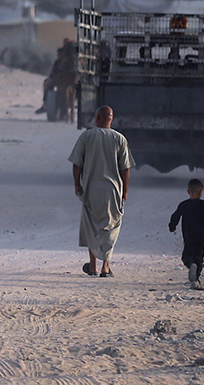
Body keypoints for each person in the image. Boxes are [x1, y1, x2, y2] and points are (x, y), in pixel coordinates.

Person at [69, 105, 131, 278]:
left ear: (97, 118)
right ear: (111, 119)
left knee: (92, 226)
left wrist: (77, 185)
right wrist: (125, 190)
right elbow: (125, 169)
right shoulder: (120, 138)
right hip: (112, 190)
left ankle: (93, 266)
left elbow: (77, 164)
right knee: (111, 227)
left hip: (91, 190)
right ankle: (106, 265)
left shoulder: (86, 136)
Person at [169, 178, 204, 289]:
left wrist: (172, 226)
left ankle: (191, 265)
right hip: (201, 236)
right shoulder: (203, 204)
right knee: (199, 257)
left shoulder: (183, 205)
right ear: (201, 192)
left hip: (189, 236)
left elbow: (175, 216)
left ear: (188, 192)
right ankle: (196, 279)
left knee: (187, 256)